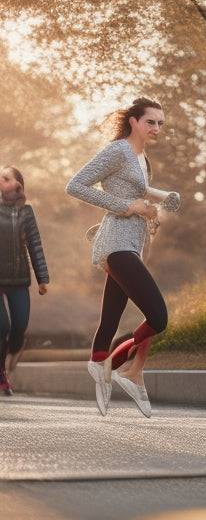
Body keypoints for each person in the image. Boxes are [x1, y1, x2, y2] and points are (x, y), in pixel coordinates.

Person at [66, 97, 169, 418]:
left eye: (161, 123)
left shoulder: (142, 158)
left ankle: (102, 373)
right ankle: (115, 367)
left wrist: (151, 210)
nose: (157, 128)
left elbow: (136, 198)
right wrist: (126, 206)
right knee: (158, 318)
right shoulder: (119, 150)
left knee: (109, 321)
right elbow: (75, 185)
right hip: (116, 243)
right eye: (150, 121)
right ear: (134, 121)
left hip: (132, 245)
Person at [0, 166, 49, 395]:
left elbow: (35, 244)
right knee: (2, 327)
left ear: (17, 184)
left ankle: (13, 350)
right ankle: (1, 373)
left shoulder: (26, 212)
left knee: (20, 326)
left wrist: (42, 278)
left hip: (19, 279)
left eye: (5, 177)